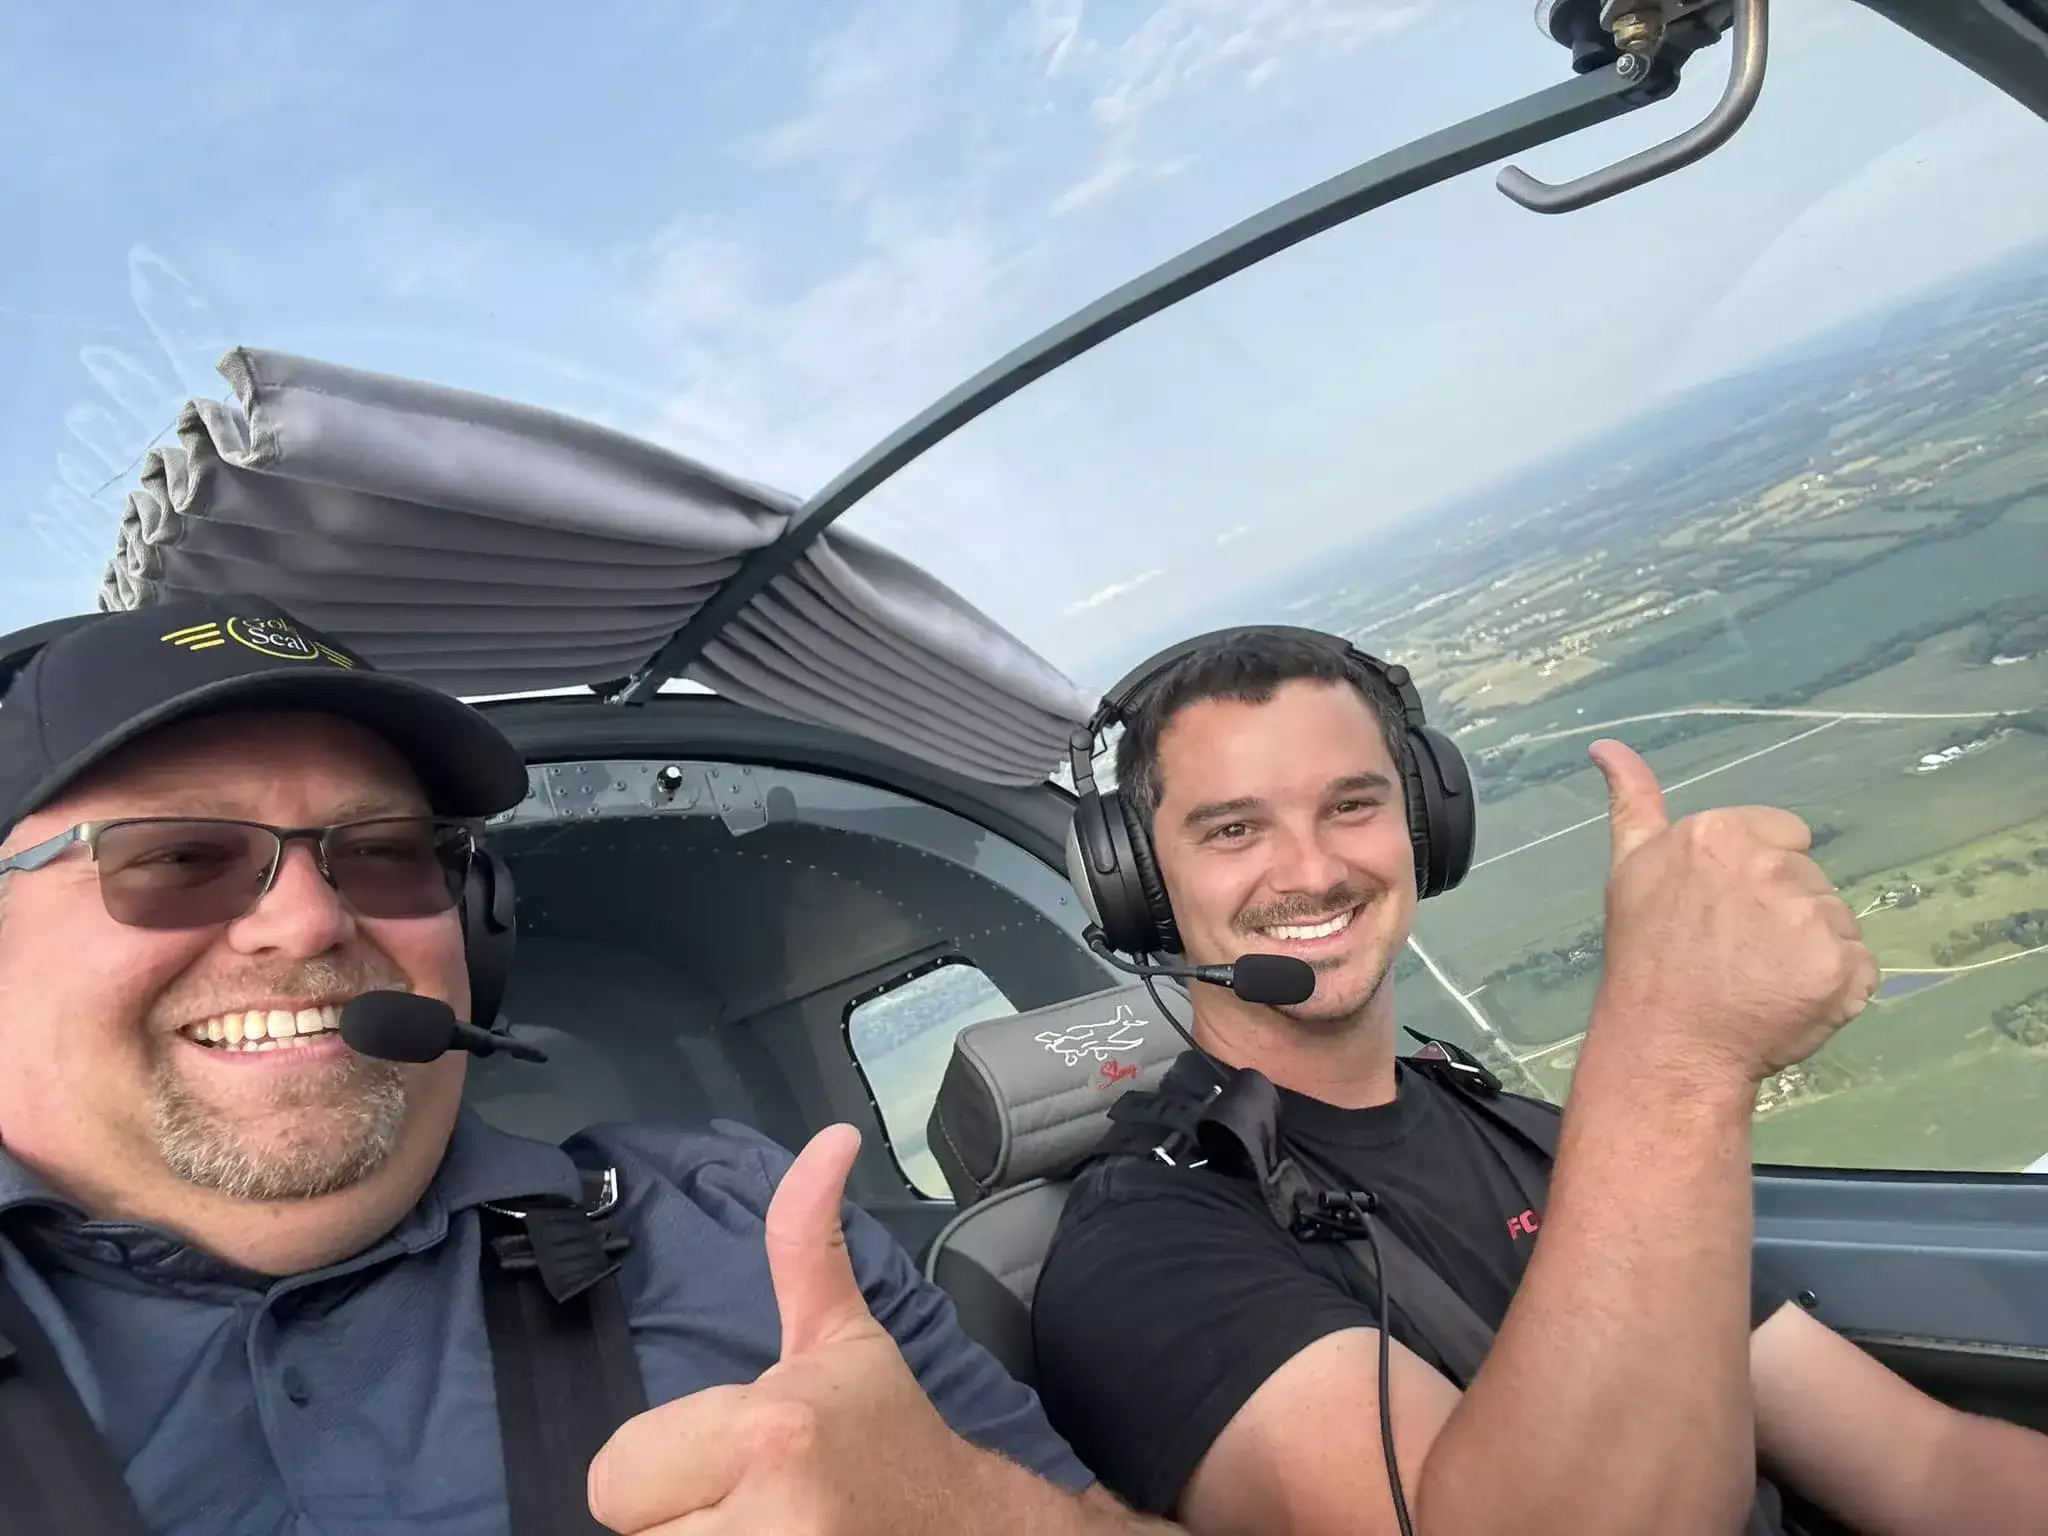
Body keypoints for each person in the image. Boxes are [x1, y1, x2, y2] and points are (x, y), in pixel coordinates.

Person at [0, 595, 1168, 1536]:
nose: (308, 923)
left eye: (386, 852)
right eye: (180, 857)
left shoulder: (743, 1233)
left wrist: (984, 1524)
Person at [1030, 628, 2048, 1536]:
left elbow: (1924, 1463)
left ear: (1425, 828)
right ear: (1139, 888)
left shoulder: (1533, 1137)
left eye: (1351, 805)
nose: (1310, 870)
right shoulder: (1143, 1251)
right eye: (1232, 830)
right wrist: (1672, 1052)